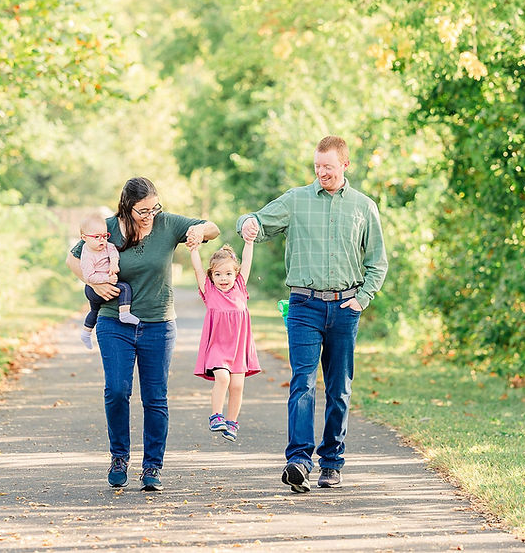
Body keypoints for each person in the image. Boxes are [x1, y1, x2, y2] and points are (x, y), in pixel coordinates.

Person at [237, 136, 387, 493]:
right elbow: (257, 219)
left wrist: (361, 299)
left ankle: (332, 462)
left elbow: (377, 263)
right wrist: (247, 223)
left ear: (345, 165)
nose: (322, 173)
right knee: (302, 382)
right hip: (303, 306)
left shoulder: (364, 207)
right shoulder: (296, 200)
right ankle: (299, 460)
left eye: (329, 167)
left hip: (345, 307)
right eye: (318, 167)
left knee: (339, 389)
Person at [66, 177, 219, 492]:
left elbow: (213, 227)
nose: (149, 215)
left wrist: (199, 231)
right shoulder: (106, 228)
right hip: (114, 321)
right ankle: (119, 458)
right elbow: (72, 257)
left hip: (158, 324)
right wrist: (94, 283)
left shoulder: (166, 224)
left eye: (153, 208)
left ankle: (152, 468)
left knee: (155, 398)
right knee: (117, 390)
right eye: (142, 210)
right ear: (127, 206)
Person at [189, 240, 261, 443]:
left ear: (235, 275)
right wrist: (194, 249)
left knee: (237, 386)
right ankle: (216, 416)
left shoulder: (240, 286)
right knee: (223, 379)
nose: (223, 278)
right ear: (211, 275)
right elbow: (197, 268)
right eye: (218, 274)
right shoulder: (209, 291)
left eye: (228, 274)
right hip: (217, 348)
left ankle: (232, 423)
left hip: (238, 348)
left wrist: (249, 242)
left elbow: (247, 260)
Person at [78, 214, 140, 349]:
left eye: (105, 236)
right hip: (93, 288)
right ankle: (124, 313)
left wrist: (114, 263)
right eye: (96, 237)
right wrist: (107, 279)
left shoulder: (105, 246)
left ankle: (86, 333)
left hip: (103, 283)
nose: (102, 240)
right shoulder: (88, 255)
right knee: (124, 287)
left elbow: (112, 250)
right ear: (84, 238)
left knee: (94, 311)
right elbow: (89, 277)